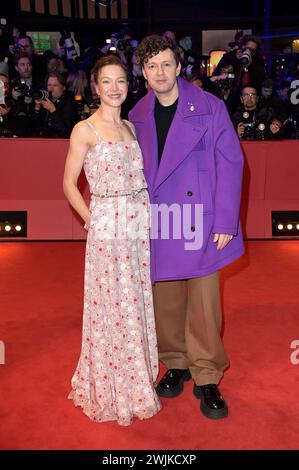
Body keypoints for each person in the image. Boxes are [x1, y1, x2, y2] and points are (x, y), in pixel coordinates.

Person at [129, 35, 244, 419]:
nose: (159, 72)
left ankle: (207, 374)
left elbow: (231, 162)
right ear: (143, 73)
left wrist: (227, 219)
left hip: (202, 220)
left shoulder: (209, 108)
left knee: (205, 304)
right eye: (151, 66)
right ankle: (175, 361)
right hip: (160, 221)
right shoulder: (137, 114)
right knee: (167, 302)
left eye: (165, 64)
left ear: (179, 67)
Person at [63, 55, 161, 426]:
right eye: (107, 81)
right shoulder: (84, 129)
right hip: (107, 228)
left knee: (135, 298)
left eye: (121, 81)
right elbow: (68, 184)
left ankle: (137, 377)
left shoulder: (133, 129)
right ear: (95, 86)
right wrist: (92, 220)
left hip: (137, 226)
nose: (115, 88)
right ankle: (111, 384)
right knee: (111, 304)